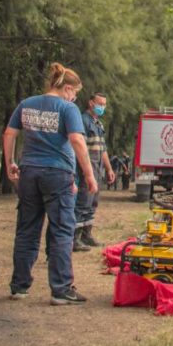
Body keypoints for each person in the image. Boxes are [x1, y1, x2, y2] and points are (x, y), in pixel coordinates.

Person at [3, 63, 96, 305]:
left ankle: (19, 286)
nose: (74, 98)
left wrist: (10, 162)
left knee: (26, 230)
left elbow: (9, 134)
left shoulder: (27, 104)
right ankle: (61, 289)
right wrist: (88, 174)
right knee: (62, 231)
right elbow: (76, 139)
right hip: (57, 174)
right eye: (74, 93)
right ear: (67, 88)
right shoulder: (67, 108)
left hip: (29, 172)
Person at [73, 94, 114, 251]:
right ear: (91, 103)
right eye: (100, 103)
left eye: (104, 104)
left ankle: (86, 235)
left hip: (98, 170)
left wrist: (109, 169)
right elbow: (78, 145)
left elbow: (102, 149)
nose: (102, 107)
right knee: (82, 202)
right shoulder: (83, 121)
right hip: (85, 170)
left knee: (92, 203)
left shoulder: (98, 124)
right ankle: (74, 239)